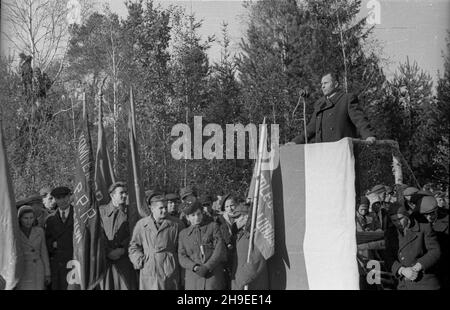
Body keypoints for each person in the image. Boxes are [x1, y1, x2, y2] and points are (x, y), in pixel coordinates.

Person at [291, 72, 376, 144]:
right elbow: (311, 128)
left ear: (336, 84)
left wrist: (368, 135)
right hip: (323, 152)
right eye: (322, 84)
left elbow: (360, 120)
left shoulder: (347, 99)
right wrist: (295, 142)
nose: (322, 86)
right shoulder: (319, 104)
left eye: (326, 83)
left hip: (342, 152)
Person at [129, 191, 184, 290]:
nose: (164, 210)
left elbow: (183, 248)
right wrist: (140, 260)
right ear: (152, 209)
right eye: (161, 208)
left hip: (170, 269)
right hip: (149, 269)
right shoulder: (142, 225)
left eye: (165, 207)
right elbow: (134, 247)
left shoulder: (177, 224)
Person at [384, 203, 441, 290]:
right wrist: (402, 270)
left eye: (400, 219)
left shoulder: (423, 228)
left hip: (424, 282)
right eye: (394, 220)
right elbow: (388, 256)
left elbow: (435, 251)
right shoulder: (391, 233)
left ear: (407, 215)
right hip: (403, 283)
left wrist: (417, 267)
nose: (397, 223)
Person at [178, 198, 227, 290]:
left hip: (212, 276)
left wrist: (207, 266)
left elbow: (219, 249)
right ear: (187, 217)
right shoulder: (183, 234)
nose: (196, 217)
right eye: (193, 215)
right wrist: (194, 267)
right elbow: (182, 256)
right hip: (193, 279)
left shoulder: (213, 227)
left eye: (198, 214)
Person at [99, 182, 138, 290]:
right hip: (105, 262)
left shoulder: (131, 212)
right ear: (112, 195)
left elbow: (135, 234)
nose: (125, 195)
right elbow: (98, 234)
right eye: (121, 193)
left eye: (126, 193)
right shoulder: (101, 212)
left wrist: (123, 250)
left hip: (124, 260)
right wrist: (108, 251)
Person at [230, 203, 269, 290]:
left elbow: (257, 261)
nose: (235, 220)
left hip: (252, 284)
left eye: (237, 217)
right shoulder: (240, 235)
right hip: (240, 284)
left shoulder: (257, 235)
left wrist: (241, 280)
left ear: (246, 217)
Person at [45, 186, 74, 290]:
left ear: (70, 197)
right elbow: (47, 242)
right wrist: (52, 244)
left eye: (65, 197)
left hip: (75, 262)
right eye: (59, 198)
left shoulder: (79, 216)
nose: (62, 200)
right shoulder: (50, 220)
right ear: (55, 200)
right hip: (59, 265)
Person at [16, 206, 51, 290]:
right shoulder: (15, 233)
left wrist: (47, 273)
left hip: (38, 269)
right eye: (25, 218)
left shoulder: (40, 231)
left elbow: (44, 253)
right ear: (20, 218)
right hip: (22, 270)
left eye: (31, 218)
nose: (29, 221)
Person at [418, 196, 449, 290]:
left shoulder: (446, 222)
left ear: (436, 210)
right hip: (428, 270)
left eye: (431, 214)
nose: (428, 217)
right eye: (425, 215)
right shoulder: (419, 224)